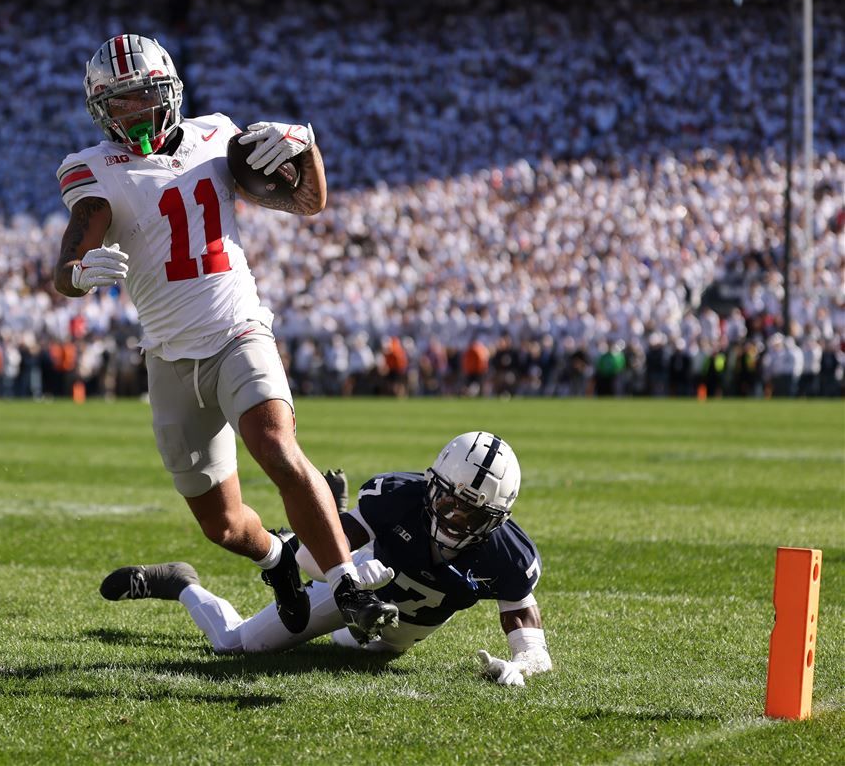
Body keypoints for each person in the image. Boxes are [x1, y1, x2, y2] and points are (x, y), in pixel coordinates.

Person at [53, 34, 396, 644]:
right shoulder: (94, 168)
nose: (134, 112)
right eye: (121, 102)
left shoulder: (218, 137)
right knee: (225, 525)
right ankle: (280, 560)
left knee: (275, 444)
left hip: (238, 330)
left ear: (170, 93)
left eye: (143, 97)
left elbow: (309, 200)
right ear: (101, 109)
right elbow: (72, 256)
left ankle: (348, 585)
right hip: (167, 356)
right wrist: (75, 276)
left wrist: (306, 147)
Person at [100, 431, 552, 687]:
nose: (454, 518)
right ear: (432, 484)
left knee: (358, 651)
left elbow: (534, 648)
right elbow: (317, 558)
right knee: (236, 646)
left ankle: (328, 518)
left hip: (390, 639)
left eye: (472, 512)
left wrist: (521, 666)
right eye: (449, 501)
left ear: (498, 518)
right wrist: (352, 574)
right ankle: (182, 582)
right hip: (350, 596)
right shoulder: (397, 498)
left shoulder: (508, 554)